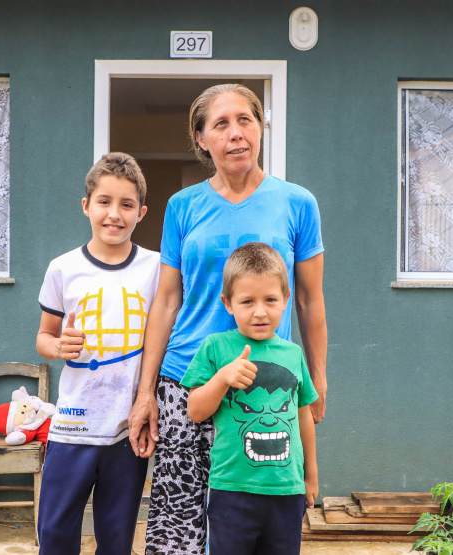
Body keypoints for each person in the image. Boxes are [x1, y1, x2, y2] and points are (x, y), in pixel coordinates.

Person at [128, 83, 327, 555]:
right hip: (185, 385)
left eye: (246, 120)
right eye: (221, 124)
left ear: (261, 128)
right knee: (177, 527)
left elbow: (309, 300)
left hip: (260, 387)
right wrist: (145, 392)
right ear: (201, 138)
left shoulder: (297, 203)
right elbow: (166, 301)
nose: (236, 133)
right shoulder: (183, 206)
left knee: (252, 531)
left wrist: (317, 377)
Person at [35, 152, 160, 555]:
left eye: (126, 205)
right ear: (86, 205)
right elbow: (44, 336)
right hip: (72, 426)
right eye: (104, 202)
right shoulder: (63, 268)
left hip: (127, 428)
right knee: (54, 533)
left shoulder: (157, 269)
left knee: (116, 538)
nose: (114, 214)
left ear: (141, 212)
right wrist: (57, 346)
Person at [181, 242, 318, 555]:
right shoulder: (215, 347)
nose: (260, 311)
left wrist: (311, 477)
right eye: (247, 301)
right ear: (228, 303)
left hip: (287, 489)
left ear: (285, 299)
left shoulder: (293, 354)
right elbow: (196, 411)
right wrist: (222, 378)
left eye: (270, 299)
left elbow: (303, 415)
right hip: (231, 490)